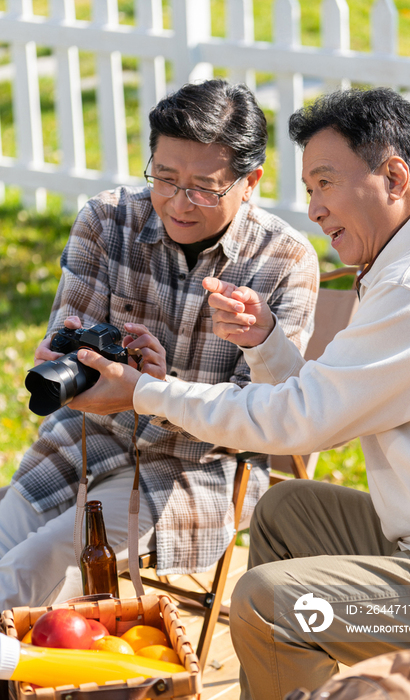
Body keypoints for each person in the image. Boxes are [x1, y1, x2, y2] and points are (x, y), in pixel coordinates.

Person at [68, 86, 410, 699]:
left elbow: (299, 423)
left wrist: (146, 392)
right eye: (308, 188)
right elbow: (323, 403)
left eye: (326, 183)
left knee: (272, 602)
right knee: (288, 512)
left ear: (393, 176)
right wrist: (266, 342)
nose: (314, 208)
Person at [0, 78, 319, 611]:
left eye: (204, 187)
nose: (178, 202)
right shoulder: (108, 220)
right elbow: (65, 341)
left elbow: (265, 415)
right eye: (164, 178)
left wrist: (151, 392)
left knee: (34, 570)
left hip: (195, 470)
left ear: (250, 181)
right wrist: (68, 362)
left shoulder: (282, 261)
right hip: (86, 438)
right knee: (11, 552)